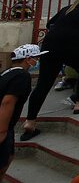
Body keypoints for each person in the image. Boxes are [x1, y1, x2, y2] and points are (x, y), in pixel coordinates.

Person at [22, 0, 79, 140]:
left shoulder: (68, 8)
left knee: (43, 84)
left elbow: (49, 24)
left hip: (50, 44)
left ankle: (30, 120)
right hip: (73, 46)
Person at [0, 44, 46, 178]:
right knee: (3, 162)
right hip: (4, 125)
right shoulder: (21, 76)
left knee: (8, 157)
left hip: (7, 126)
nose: (37, 62)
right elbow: (7, 102)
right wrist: (2, 131)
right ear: (28, 59)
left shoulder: (7, 72)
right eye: (36, 58)